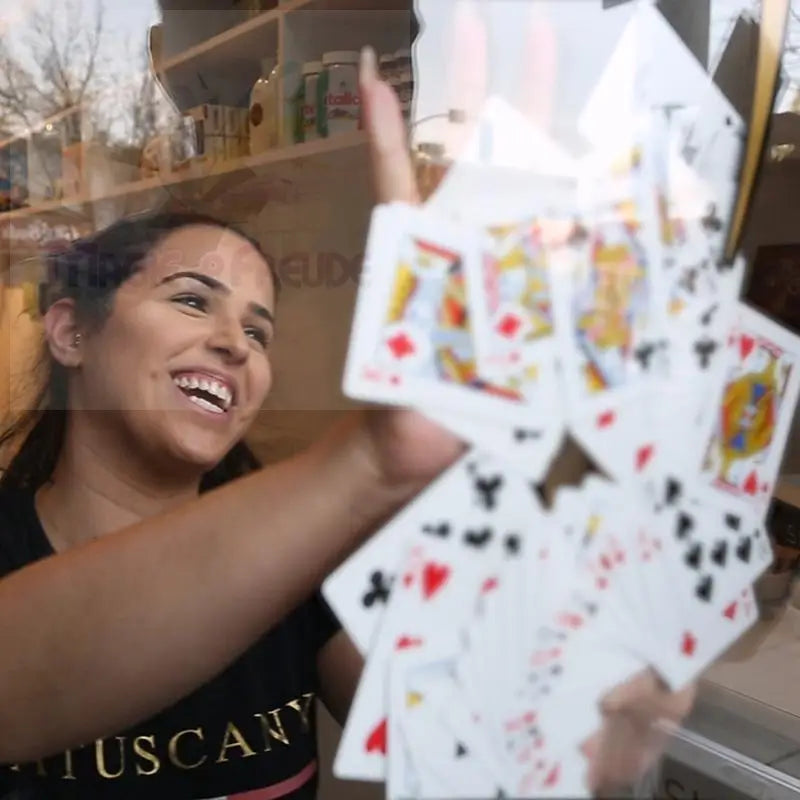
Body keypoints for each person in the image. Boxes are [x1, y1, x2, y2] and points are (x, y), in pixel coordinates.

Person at [0, 24, 695, 800]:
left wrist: (576, 734)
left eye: (259, 331)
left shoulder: (305, 578)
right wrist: (370, 458)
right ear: (69, 332)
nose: (235, 343)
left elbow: (467, 766)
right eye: (193, 300)